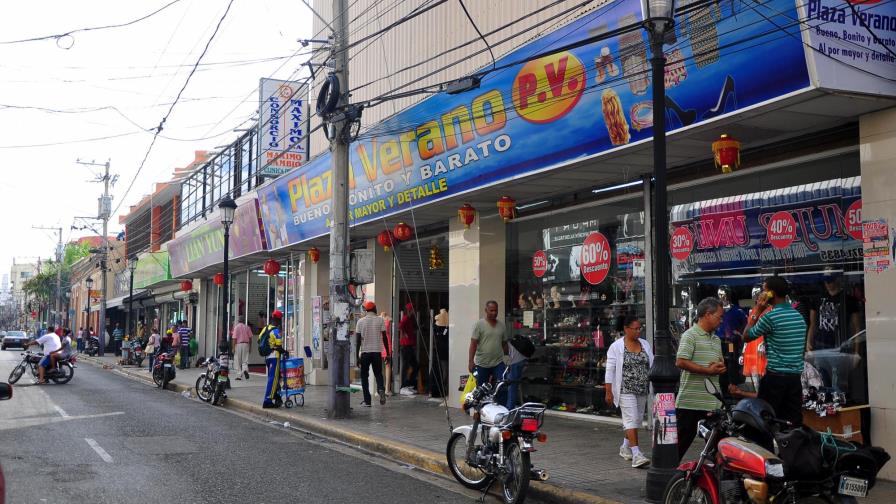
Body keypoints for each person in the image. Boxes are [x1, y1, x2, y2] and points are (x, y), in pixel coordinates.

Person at [744, 276, 808, 426]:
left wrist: (758, 310)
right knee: (792, 423)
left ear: (771, 293)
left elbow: (746, 336)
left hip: (775, 379)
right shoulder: (798, 317)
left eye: (764, 290)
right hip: (794, 380)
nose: (762, 293)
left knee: (765, 422)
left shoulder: (770, 317)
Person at [675, 298, 727, 461]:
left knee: (718, 447)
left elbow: (718, 362)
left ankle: (715, 481)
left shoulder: (716, 339)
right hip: (690, 402)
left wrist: (720, 367)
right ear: (707, 314)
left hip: (712, 402)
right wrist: (707, 370)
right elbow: (680, 361)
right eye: (719, 316)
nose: (721, 320)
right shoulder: (690, 335)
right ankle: (669, 479)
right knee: (680, 445)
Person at [605, 316, 654, 468]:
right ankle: (636, 454)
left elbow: (651, 364)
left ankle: (625, 447)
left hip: (641, 389)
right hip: (624, 389)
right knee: (631, 419)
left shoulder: (645, 344)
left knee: (637, 420)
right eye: (636, 328)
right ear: (626, 329)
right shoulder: (616, 346)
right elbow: (610, 370)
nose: (639, 331)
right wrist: (608, 391)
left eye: (640, 328)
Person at [807, 269, 861, 351]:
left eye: (830, 281)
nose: (827, 284)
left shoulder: (849, 300)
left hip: (841, 344)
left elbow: (856, 326)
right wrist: (808, 343)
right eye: (825, 281)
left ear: (837, 280)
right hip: (820, 344)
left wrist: (856, 352)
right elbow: (812, 324)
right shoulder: (817, 299)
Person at [468, 300, 509, 405]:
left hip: (498, 362)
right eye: (491, 310)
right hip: (482, 363)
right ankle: (480, 413)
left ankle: (501, 410)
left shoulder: (502, 325)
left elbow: (504, 344)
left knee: (503, 385)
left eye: (496, 310)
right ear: (486, 310)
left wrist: (508, 359)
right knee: (481, 391)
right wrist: (471, 361)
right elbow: (473, 344)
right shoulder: (479, 324)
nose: (494, 313)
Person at [356, 301, 390, 407]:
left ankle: (367, 401)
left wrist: (357, 355)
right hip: (376, 352)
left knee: (364, 376)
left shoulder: (360, 322)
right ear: (374, 309)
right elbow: (384, 337)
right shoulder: (380, 320)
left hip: (365, 353)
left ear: (366, 310)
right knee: (378, 374)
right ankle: (381, 389)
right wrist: (387, 353)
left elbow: (357, 341)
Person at [261, 310, 285, 408]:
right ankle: (267, 400)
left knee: (274, 378)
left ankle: (276, 396)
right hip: (274, 357)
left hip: (267, 357)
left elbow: (259, 339)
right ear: (278, 320)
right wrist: (284, 351)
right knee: (273, 379)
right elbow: (279, 345)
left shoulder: (265, 328)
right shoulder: (275, 330)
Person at [398, 303, 419, 395]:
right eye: (413, 310)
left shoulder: (410, 319)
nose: (414, 311)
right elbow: (400, 326)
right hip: (406, 346)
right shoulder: (406, 318)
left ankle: (409, 384)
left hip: (410, 346)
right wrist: (404, 334)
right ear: (410, 310)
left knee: (415, 366)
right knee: (405, 367)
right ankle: (403, 386)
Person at [432, 309, 450, 399]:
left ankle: (444, 388)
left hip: (442, 352)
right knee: (444, 371)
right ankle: (443, 388)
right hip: (442, 353)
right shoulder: (438, 328)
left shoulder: (445, 329)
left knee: (444, 371)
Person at [232, 316, 252, 380]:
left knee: (238, 360)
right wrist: (250, 347)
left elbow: (234, 338)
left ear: (238, 321)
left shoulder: (236, 327)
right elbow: (250, 338)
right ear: (243, 321)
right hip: (246, 344)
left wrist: (233, 347)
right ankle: (245, 370)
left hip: (238, 345)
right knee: (245, 360)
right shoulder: (247, 327)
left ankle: (239, 375)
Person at [380, 311, 393, 395]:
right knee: (379, 366)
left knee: (388, 365)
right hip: (379, 342)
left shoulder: (389, 319)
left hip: (387, 342)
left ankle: (387, 389)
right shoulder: (378, 319)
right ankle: (380, 388)